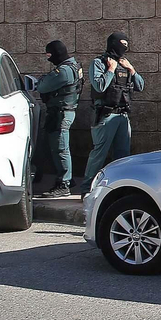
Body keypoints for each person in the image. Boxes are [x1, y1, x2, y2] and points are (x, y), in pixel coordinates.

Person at [76, 32, 144, 194]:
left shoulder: (125, 63)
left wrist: (132, 70)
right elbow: (99, 86)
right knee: (99, 153)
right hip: (105, 115)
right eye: (122, 44)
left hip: (122, 116)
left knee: (123, 155)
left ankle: (120, 188)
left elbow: (140, 86)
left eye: (126, 45)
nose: (124, 48)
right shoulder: (99, 63)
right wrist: (111, 69)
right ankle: (87, 189)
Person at [33, 40, 82, 197]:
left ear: (56, 54)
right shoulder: (73, 66)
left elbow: (42, 86)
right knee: (57, 148)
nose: (49, 59)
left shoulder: (64, 71)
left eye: (49, 55)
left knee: (61, 149)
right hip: (62, 112)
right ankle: (67, 179)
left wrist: (42, 80)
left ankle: (64, 184)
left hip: (61, 113)